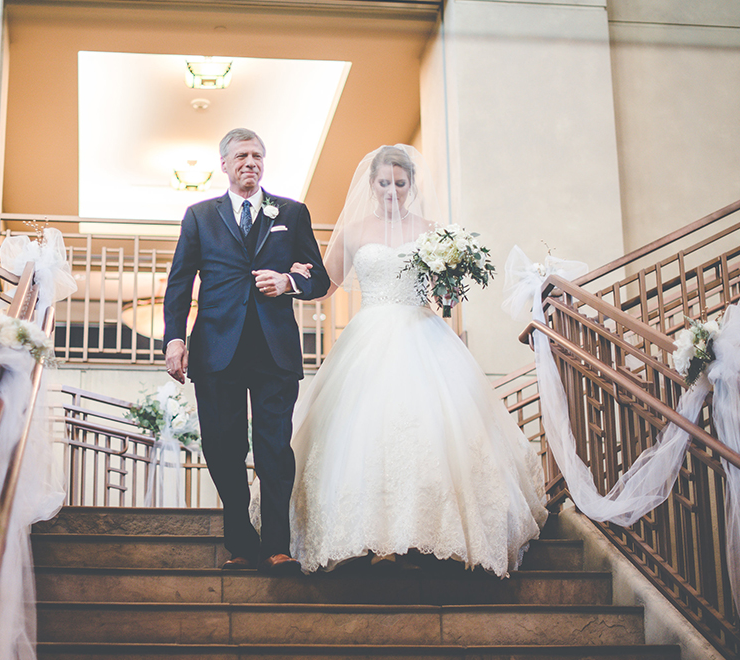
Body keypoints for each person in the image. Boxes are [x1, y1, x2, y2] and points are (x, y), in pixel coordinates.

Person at [287, 144, 548, 576]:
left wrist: (452, 285)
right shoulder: (352, 230)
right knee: (367, 431)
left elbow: (446, 295)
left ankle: (424, 534)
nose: (392, 191)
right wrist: (293, 279)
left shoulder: (431, 231)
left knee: (432, 429)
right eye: (384, 183)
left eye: (400, 183)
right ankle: (370, 536)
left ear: (411, 184)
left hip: (423, 333)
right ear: (371, 184)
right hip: (368, 336)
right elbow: (327, 284)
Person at [162, 128, 331, 573]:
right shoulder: (200, 216)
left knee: (274, 450)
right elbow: (179, 282)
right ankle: (240, 544)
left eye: (256, 155)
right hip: (216, 351)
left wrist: (288, 281)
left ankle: (277, 547)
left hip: (274, 351)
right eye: (241, 156)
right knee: (223, 449)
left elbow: (319, 278)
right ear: (224, 164)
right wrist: (175, 339)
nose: (250, 162)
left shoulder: (291, 213)